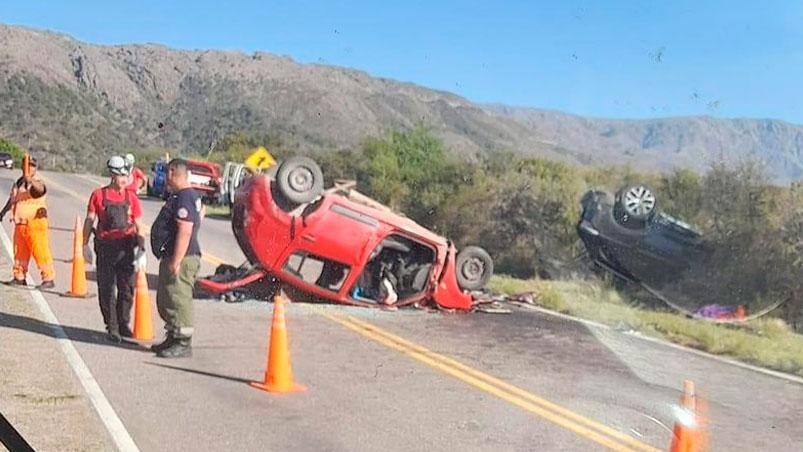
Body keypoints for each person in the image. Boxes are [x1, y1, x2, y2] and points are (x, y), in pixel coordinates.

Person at [82, 156, 146, 343]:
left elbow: (139, 224)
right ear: (112, 175)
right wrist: (84, 244)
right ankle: (112, 326)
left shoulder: (131, 198)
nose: (125, 179)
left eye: (126, 175)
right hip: (106, 248)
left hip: (126, 247)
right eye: (121, 176)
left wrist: (141, 249)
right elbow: (89, 220)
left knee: (127, 288)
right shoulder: (98, 195)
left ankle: (123, 323)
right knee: (107, 289)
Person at [150, 158, 203, 358]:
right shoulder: (181, 196)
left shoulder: (185, 196)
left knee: (178, 298)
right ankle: (172, 335)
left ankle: (183, 341)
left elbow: (185, 230)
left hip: (183, 257)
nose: (165, 179)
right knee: (167, 297)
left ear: (173, 172)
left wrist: (176, 260)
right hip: (173, 254)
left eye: (167, 174)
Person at [0, 157, 55, 288]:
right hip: (20, 224)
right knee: (19, 253)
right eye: (27, 166)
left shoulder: (36, 182)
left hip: (35, 224)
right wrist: (3, 212)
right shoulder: (19, 183)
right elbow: (13, 199)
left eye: (32, 166)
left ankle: (48, 278)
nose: (29, 169)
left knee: (40, 252)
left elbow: (40, 190)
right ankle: (19, 276)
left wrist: (29, 180)